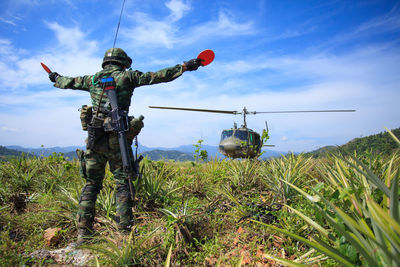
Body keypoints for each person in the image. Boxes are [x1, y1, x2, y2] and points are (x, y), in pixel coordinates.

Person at [48, 48, 202, 244]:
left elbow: (67, 82)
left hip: (95, 138)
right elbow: (158, 76)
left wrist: (55, 77)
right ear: (123, 62)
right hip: (118, 137)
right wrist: (185, 67)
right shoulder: (127, 77)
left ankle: (83, 234)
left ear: (105, 62)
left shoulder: (92, 80)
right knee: (123, 183)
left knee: (91, 183)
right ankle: (123, 234)